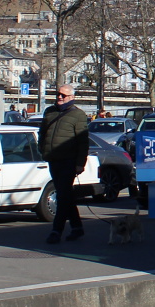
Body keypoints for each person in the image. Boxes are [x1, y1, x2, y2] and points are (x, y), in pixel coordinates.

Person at [38, 85, 90, 244]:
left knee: (62, 195)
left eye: (63, 95)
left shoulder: (78, 115)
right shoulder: (50, 112)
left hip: (69, 160)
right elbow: (42, 133)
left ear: (71, 97)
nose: (59, 97)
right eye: (58, 94)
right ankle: (77, 227)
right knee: (65, 195)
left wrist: (80, 163)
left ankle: (56, 231)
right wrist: (42, 149)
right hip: (53, 159)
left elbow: (83, 142)